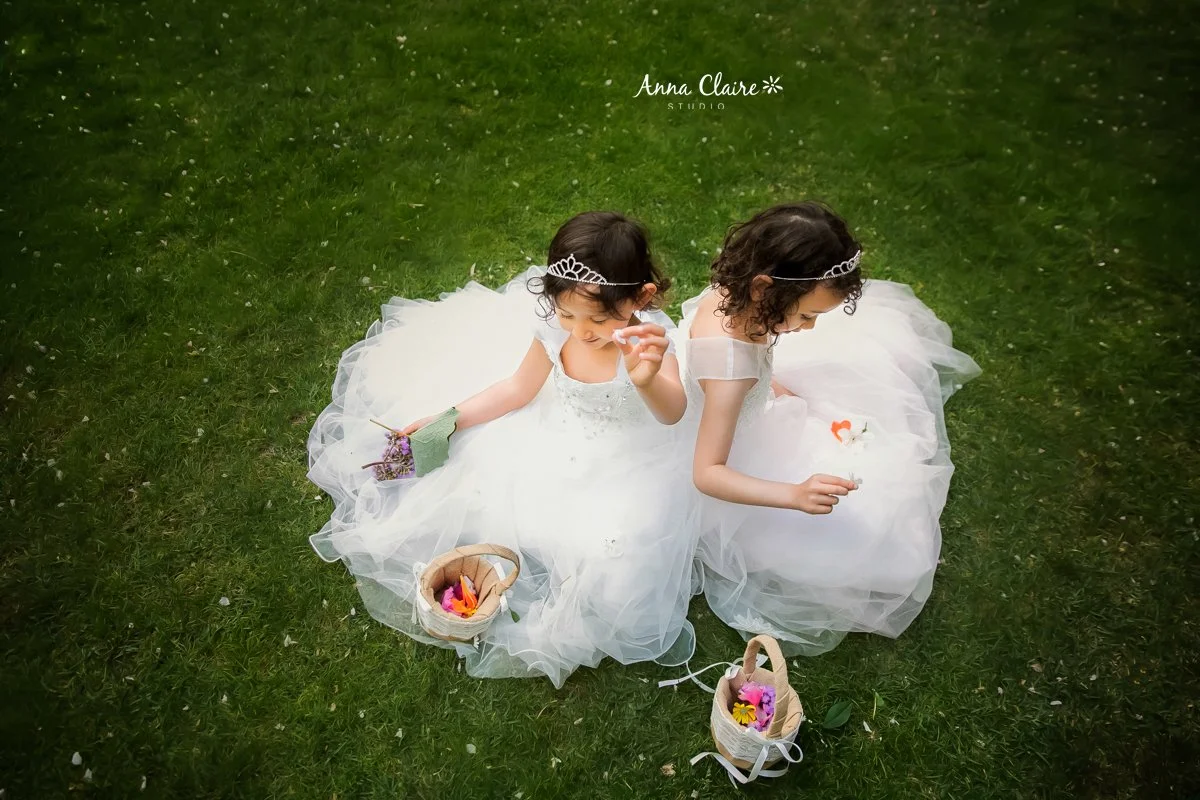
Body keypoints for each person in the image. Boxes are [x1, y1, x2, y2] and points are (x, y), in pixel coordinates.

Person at [307, 211, 698, 687]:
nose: (581, 331)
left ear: (642, 297)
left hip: (631, 458)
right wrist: (449, 419)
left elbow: (673, 413)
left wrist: (646, 379)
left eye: (598, 319)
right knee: (480, 490)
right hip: (558, 435)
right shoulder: (555, 332)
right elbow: (517, 388)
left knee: (616, 564)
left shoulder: (649, 344)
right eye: (567, 314)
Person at [674, 201, 981, 655]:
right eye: (805, 316)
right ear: (763, 288)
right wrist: (793, 495)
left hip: (739, 401)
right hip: (728, 454)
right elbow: (707, 473)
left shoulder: (735, 293)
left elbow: (744, 364)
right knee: (877, 546)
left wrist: (769, 386)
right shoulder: (729, 370)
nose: (810, 327)